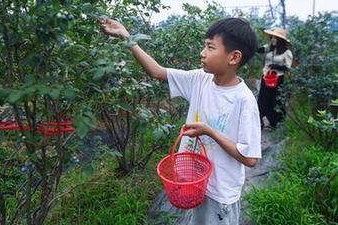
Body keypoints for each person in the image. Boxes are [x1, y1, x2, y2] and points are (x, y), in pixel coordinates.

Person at [100, 17, 262, 225]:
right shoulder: (200, 79)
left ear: (233, 57)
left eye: (210, 47)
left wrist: (209, 132)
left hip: (219, 192)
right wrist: (127, 37)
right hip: (194, 182)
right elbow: (157, 72)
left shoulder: (243, 100)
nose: (202, 53)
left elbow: (250, 159)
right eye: (204, 45)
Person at [257, 27, 293, 129]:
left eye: (275, 38)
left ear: (280, 40)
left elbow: (287, 67)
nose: (272, 39)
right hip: (266, 77)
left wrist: (275, 67)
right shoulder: (270, 48)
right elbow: (259, 50)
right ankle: (260, 121)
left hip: (278, 79)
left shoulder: (287, 52)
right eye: (272, 37)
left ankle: (275, 122)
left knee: (275, 100)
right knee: (262, 99)